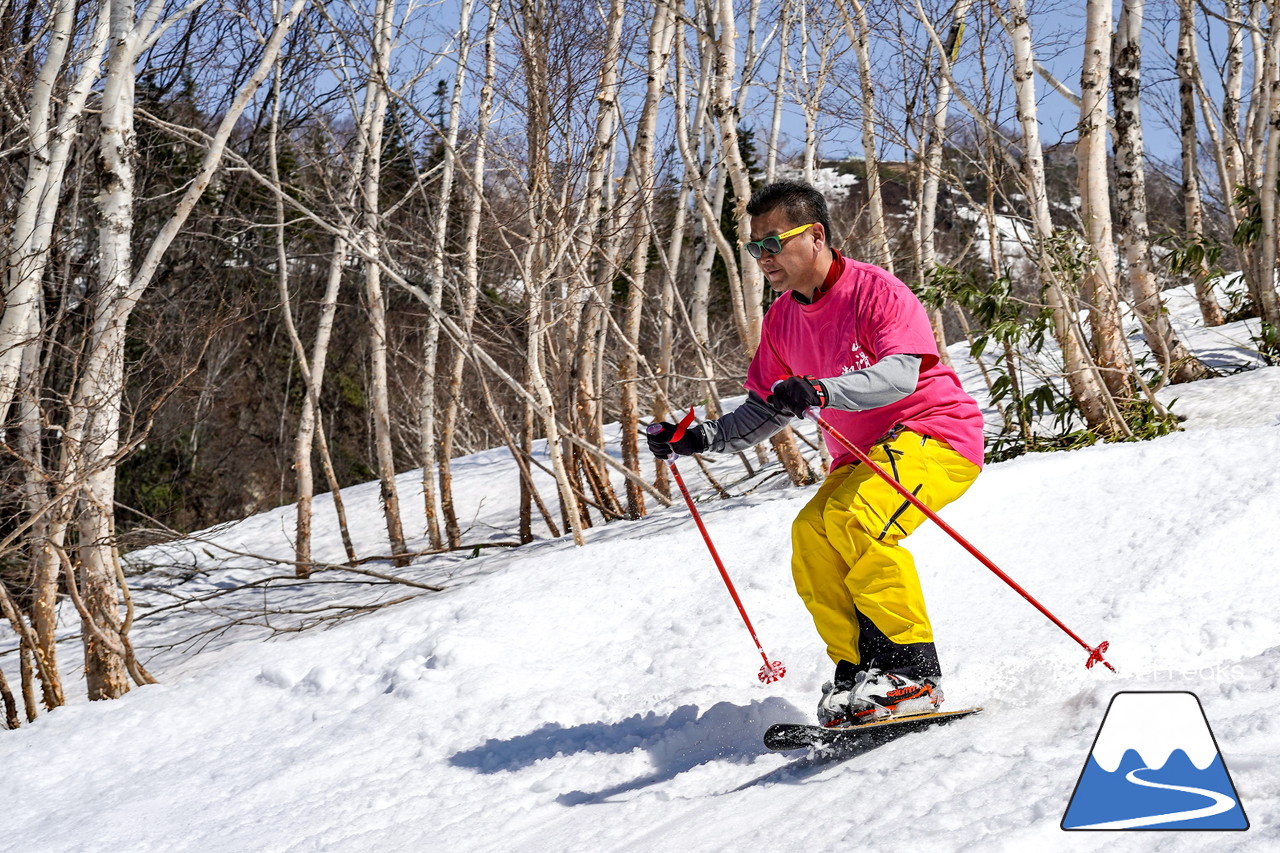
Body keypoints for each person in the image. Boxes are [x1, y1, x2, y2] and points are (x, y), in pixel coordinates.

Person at [647, 180, 985, 727]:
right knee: (811, 535)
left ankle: (912, 673)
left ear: (817, 235)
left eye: (773, 242)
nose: (763, 258)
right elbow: (765, 410)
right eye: (754, 248)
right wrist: (699, 439)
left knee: (857, 519)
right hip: (863, 455)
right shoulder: (781, 321)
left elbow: (900, 376)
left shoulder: (877, 292)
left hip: (934, 434)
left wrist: (824, 390)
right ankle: (859, 674)